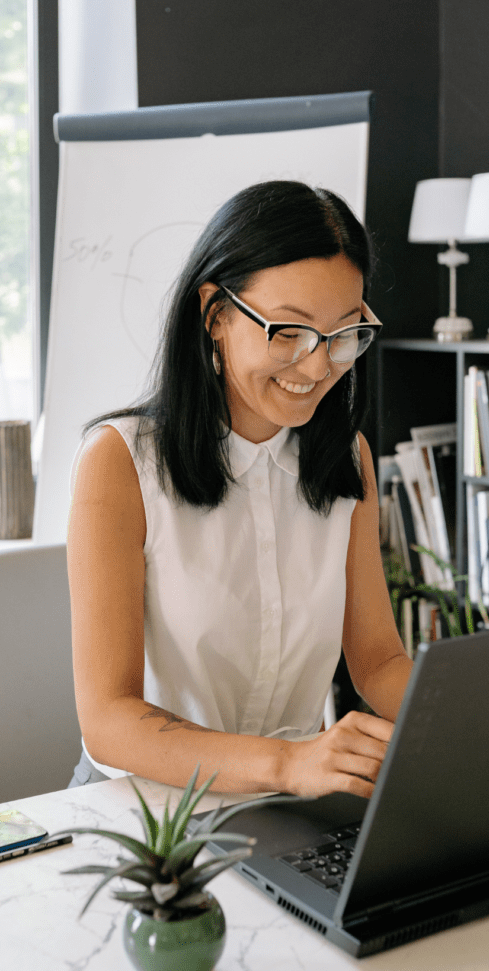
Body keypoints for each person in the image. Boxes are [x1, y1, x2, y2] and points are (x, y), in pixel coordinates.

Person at [66, 180, 413, 798]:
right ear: (216, 314)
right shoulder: (120, 461)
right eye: (289, 331)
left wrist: (467, 719)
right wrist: (286, 762)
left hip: (291, 801)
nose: (317, 366)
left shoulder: (346, 460)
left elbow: (378, 661)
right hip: (147, 806)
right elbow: (108, 721)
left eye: (343, 334)